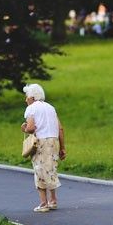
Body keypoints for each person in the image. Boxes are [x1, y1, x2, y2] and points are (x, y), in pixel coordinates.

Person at [20, 84, 66, 213]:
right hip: (54, 141)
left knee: (39, 171)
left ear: (32, 97)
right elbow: (60, 128)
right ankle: (53, 200)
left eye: (27, 97)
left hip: (41, 142)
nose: (25, 100)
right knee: (50, 169)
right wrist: (63, 148)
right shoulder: (51, 108)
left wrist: (23, 128)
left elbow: (31, 128)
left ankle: (43, 203)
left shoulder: (31, 109)